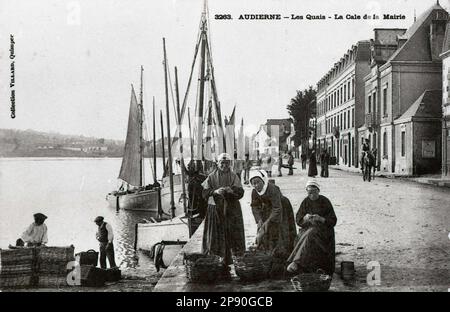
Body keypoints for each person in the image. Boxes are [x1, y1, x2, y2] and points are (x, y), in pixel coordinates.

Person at [201, 153, 246, 269]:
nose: (224, 165)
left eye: (227, 163)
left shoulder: (234, 176)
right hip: (215, 210)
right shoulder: (211, 177)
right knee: (216, 235)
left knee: (232, 235)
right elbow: (204, 193)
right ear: (218, 163)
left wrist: (231, 191)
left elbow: (241, 192)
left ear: (230, 164)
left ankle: (233, 260)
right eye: (222, 163)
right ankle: (215, 260)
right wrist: (215, 192)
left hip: (232, 210)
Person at [249, 170, 297, 278]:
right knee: (263, 234)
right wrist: (259, 220)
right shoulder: (254, 192)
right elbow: (254, 206)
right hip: (266, 212)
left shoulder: (272, 189)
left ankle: (281, 261)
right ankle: (267, 259)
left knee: (280, 234)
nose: (256, 185)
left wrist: (267, 222)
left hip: (281, 209)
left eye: (258, 182)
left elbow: (277, 208)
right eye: (253, 183)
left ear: (263, 180)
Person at [287, 181, 337, 275]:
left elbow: (333, 221)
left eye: (314, 192)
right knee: (302, 235)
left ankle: (296, 261)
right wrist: (305, 219)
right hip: (309, 228)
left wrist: (321, 219)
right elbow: (298, 220)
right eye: (309, 193)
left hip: (324, 230)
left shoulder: (325, 201)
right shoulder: (306, 201)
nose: (312, 195)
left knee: (311, 234)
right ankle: (301, 264)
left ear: (318, 191)